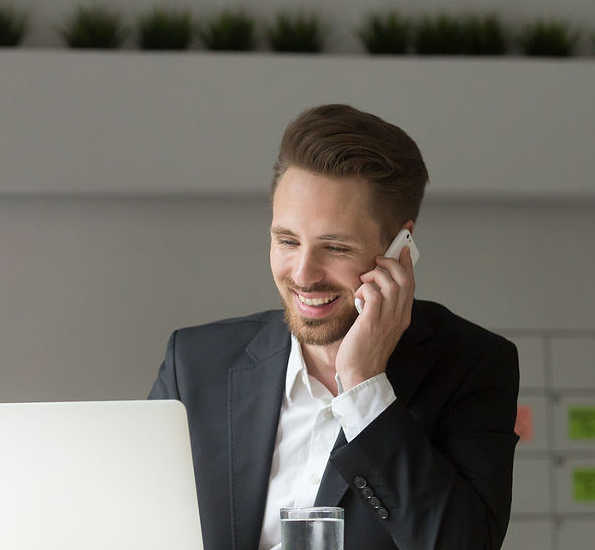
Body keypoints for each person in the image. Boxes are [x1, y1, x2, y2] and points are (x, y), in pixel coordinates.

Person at [149, 104, 519, 550]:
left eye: (336, 247)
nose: (303, 275)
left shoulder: (471, 365)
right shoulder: (194, 363)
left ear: (400, 247)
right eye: (287, 240)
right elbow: (125, 520)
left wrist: (365, 388)